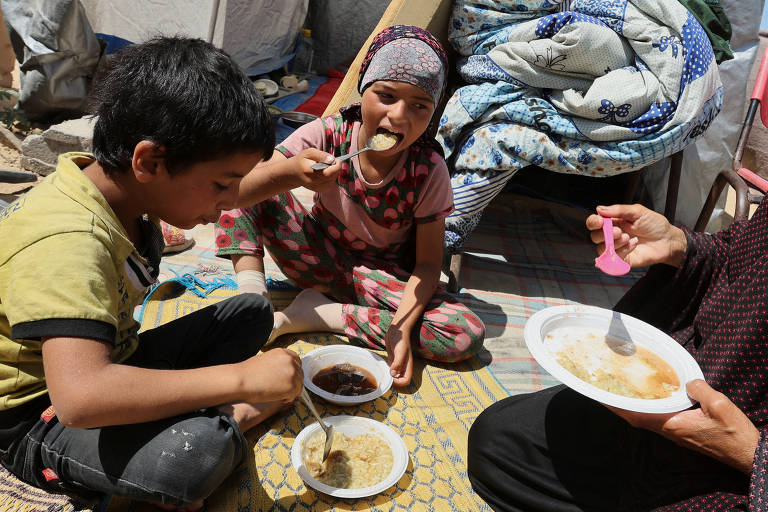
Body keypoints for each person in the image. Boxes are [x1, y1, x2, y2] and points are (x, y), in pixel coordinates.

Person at [0, 36, 338, 511]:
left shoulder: (124, 186)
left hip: (115, 355)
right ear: (150, 161)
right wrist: (242, 383)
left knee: (251, 312)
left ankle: (199, 410)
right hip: (41, 414)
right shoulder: (66, 240)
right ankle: (227, 419)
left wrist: (292, 172)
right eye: (222, 183)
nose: (227, 201)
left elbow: (221, 192)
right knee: (191, 458)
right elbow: (80, 399)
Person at [214, 25, 486, 388]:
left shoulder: (428, 170)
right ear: (364, 92)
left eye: (419, 105)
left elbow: (427, 265)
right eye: (386, 96)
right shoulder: (329, 133)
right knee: (249, 185)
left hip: (378, 282)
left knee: (464, 333)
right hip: (315, 259)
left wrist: (401, 330)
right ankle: (255, 306)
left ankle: (321, 314)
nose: (400, 115)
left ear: (433, 112)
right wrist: (291, 174)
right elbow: (237, 193)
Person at [467, 202, 768, 511]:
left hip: (730, 483)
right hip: (664, 406)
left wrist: (748, 453)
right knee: (495, 445)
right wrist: (679, 246)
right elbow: (738, 256)